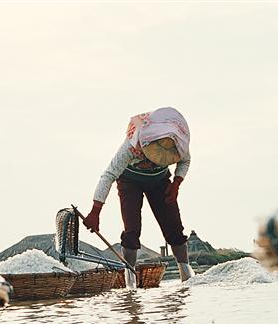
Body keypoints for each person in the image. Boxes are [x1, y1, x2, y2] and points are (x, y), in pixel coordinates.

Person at [82, 107, 194, 286]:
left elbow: (185, 161)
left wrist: (176, 184)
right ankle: (130, 284)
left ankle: (187, 276)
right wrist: (95, 212)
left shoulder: (175, 141)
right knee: (132, 230)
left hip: (160, 182)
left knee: (174, 227)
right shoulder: (130, 146)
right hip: (129, 182)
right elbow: (108, 175)